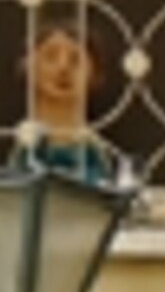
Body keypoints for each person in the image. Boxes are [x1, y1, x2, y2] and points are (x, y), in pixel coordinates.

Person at [20, 10, 122, 184]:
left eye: (75, 60)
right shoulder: (24, 140)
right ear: (29, 67)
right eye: (51, 57)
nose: (63, 69)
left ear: (95, 74)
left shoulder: (92, 148)